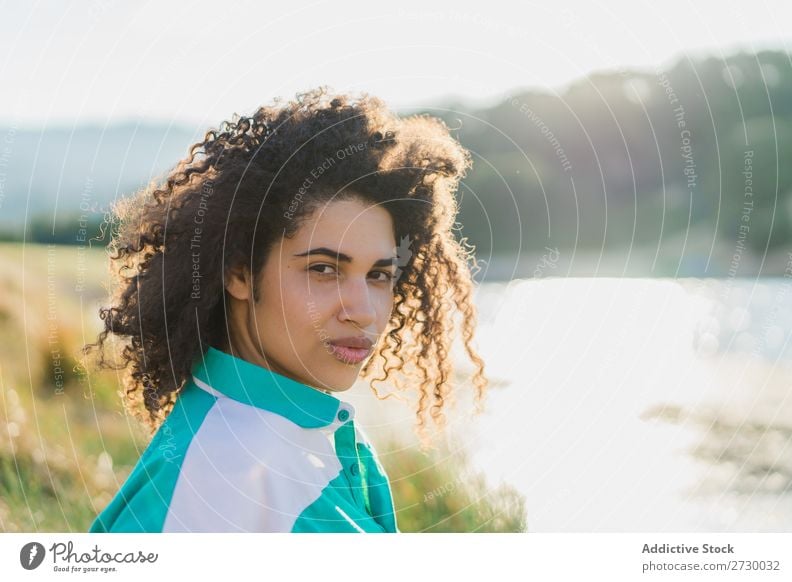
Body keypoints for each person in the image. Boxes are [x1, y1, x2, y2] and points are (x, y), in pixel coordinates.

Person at [84, 86, 489, 532]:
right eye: (323, 269)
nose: (364, 312)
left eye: (379, 275)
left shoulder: (273, 431)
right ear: (239, 271)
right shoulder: (238, 475)